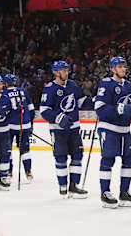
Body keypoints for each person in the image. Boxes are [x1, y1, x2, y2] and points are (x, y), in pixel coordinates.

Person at [94, 56, 131, 208]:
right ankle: (105, 193)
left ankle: (124, 193)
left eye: (124, 66)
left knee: (129, 160)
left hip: (125, 130)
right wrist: (121, 109)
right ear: (112, 69)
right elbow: (100, 109)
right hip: (109, 129)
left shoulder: (129, 85)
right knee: (108, 159)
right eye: (120, 66)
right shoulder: (106, 84)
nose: (124, 69)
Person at [40, 61, 92, 198]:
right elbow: (44, 111)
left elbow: (81, 102)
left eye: (67, 70)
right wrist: (57, 118)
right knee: (61, 158)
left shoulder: (72, 85)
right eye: (63, 70)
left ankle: (74, 186)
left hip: (74, 129)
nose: (66, 73)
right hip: (58, 130)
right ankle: (62, 185)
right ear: (56, 72)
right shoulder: (49, 88)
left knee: (77, 156)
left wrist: (96, 101)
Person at [3, 74, 35, 182]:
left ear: (6, 83)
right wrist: (31, 125)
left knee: (7, 150)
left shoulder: (4, 93)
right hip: (24, 125)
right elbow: (31, 109)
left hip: (10, 126)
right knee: (25, 150)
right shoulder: (23, 91)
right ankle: (28, 171)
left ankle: (9, 172)